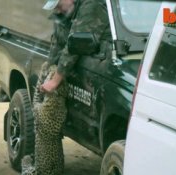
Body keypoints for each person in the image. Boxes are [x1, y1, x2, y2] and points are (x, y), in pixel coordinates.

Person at [22, 0, 110, 174]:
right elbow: (59, 42)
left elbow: (74, 46)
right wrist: (48, 67)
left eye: (58, 4)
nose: (58, 9)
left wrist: (55, 81)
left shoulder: (91, 6)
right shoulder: (67, 10)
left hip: (103, 67)